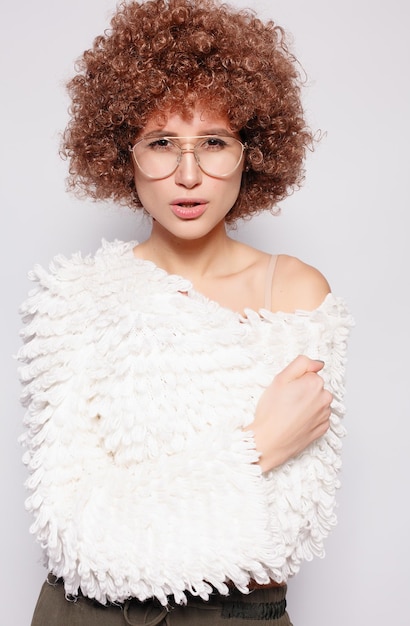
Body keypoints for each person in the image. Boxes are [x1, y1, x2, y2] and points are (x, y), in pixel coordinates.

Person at [18, 0, 352, 624]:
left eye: (214, 142)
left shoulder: (296, 293)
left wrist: (147, 497)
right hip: (86, 612)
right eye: (163, 143)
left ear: (251, 151)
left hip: (237, 611)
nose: (189, 174)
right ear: (125, 154)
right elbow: (76, 530)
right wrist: (254, 450)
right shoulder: (75, 299)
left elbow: (290, 519)